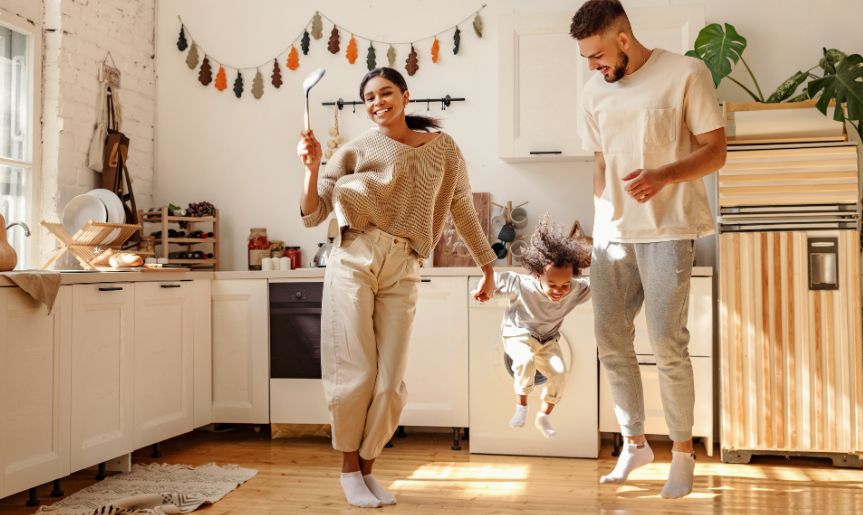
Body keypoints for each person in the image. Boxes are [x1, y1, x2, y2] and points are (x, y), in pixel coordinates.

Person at [297, 67, 497, 508]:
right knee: (356, 371)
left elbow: (462, 206)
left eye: (386, 93)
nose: (377, 102)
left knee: (391, 381)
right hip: (354, 256)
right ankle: (350, 469)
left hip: (403, 264)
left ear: (405, 96)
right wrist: (311, 169)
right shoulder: (355, 149)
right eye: (369, 97)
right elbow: (312, 214)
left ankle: (368, 468)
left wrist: (487, 265)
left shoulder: (443, 149)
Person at [570, 0, 727, 499]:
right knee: (611, 342)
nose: (592, 67)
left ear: (622, 38)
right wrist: (597, 223)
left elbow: (716, 149)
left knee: (666, 343)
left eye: (596, 55)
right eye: (585, 59)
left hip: (668, 229)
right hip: (613, 235)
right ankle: (634, 442)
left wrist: (663, 175)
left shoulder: (685, 72)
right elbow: (600, 163)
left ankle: (682, 453)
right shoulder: (594, 91)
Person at [477, 216, 591, 439]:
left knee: (560, 373)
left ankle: (543, 416)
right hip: (518, 334)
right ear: (539, 274)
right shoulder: (522, 284)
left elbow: (601, 283)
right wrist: (484, 290)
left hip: (547, 340)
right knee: (525, 360)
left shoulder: (576, 289)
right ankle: (521, 407)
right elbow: (493, 281)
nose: (559, 290)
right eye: (553, 284)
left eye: (565, 284)